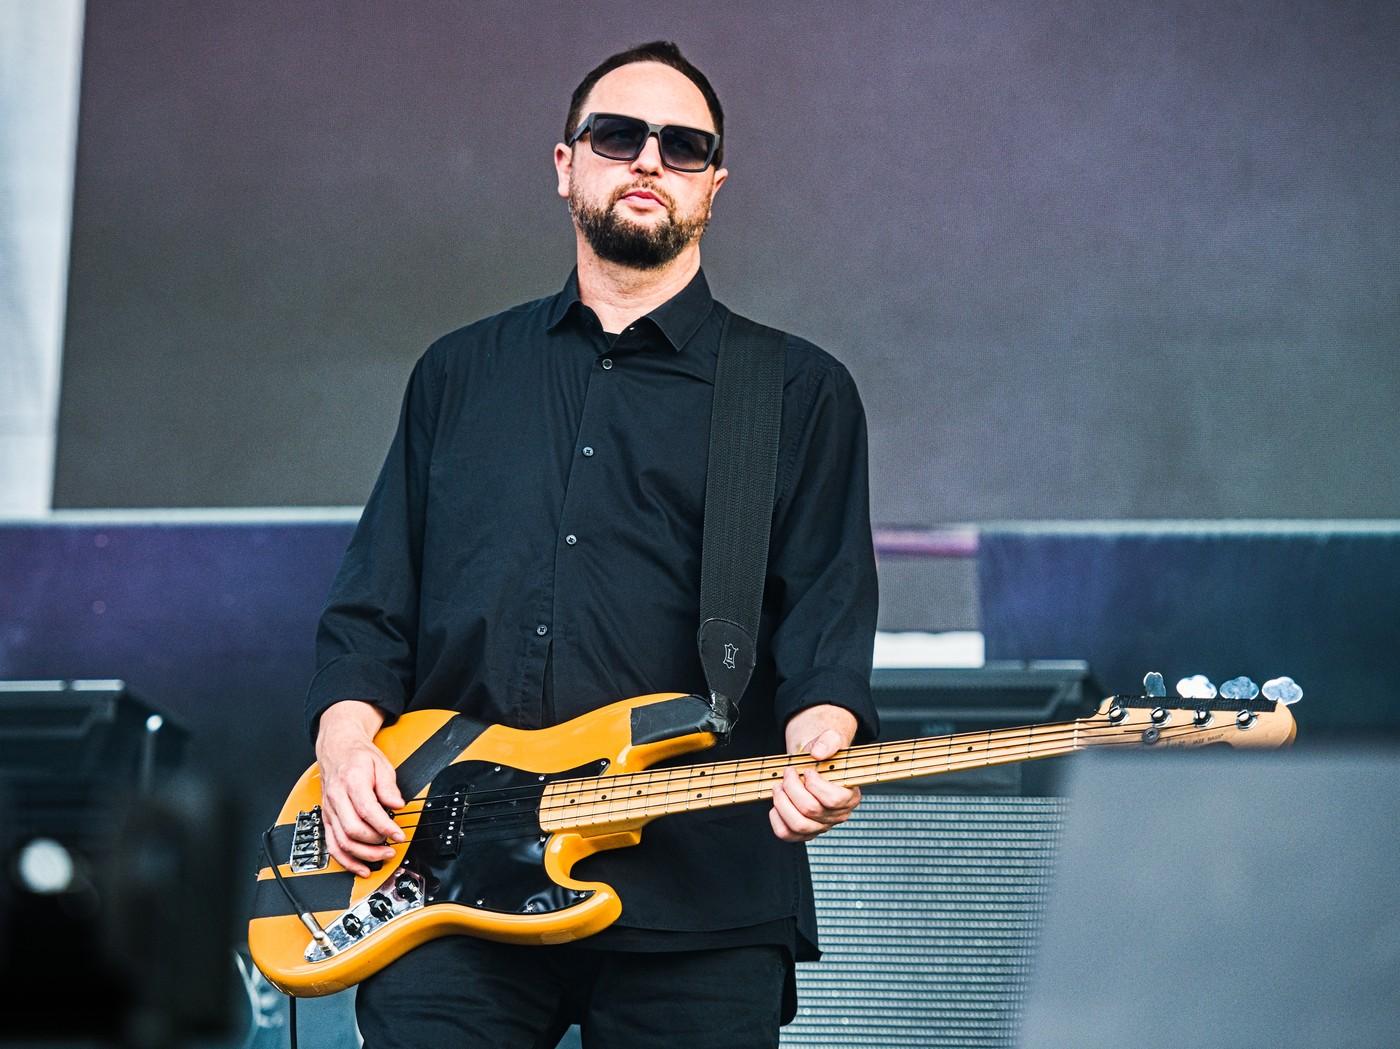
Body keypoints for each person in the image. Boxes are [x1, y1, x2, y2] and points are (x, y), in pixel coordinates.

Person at [307, 40, 879, 1049]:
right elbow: (372, 609)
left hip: (702, 890)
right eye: (618, 136)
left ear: (713, 186)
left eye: (684, 146)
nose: (650, 159)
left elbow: (825, 631)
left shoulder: (798, 391)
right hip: (445, 880)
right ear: (565, 165)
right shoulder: (458, 373)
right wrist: (346, 746)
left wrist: (821, 749)